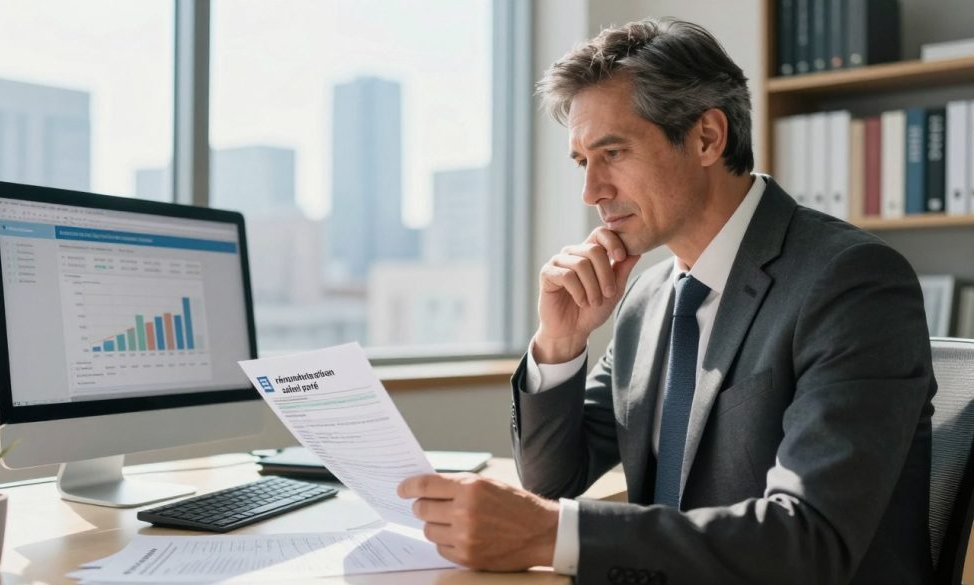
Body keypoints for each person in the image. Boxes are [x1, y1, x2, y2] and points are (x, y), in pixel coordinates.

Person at [398, 18, 935, 585]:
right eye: (583, 162)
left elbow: (810, 539)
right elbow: (551, 483)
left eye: (613, 152)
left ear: (707, 137)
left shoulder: (851, 283)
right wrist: (561, 342)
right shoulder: (651, 296)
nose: (591, 191)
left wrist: (548, 533)